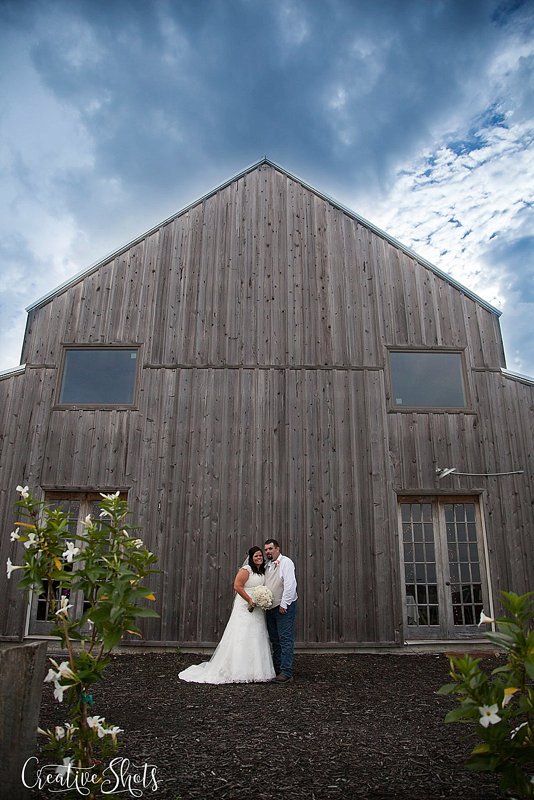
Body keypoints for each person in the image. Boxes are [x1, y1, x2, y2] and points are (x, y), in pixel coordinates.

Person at [178, 546, 276, 684]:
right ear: (251, 558)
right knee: (242, 634)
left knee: (257, 634)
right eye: (256, 556)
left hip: (257, 608)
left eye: (260, 555)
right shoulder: (246, 570)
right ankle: (238, 670)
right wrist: (249, 600)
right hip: (244, 606)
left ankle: (256, 670)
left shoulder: (262, 570)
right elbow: (237, 586)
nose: (259, 558)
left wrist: (262, 599)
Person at [264, 539, 298, 683]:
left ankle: (286, 672)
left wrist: (284, 604)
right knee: (275, 640)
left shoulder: (286, 562)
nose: (268, 552)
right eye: (266, 549)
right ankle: (277, 669)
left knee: (285, 639)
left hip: (283, 607)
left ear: (277, 549)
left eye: (270, 549)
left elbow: (290, 584)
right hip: (270, 608)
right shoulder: (267, 566)